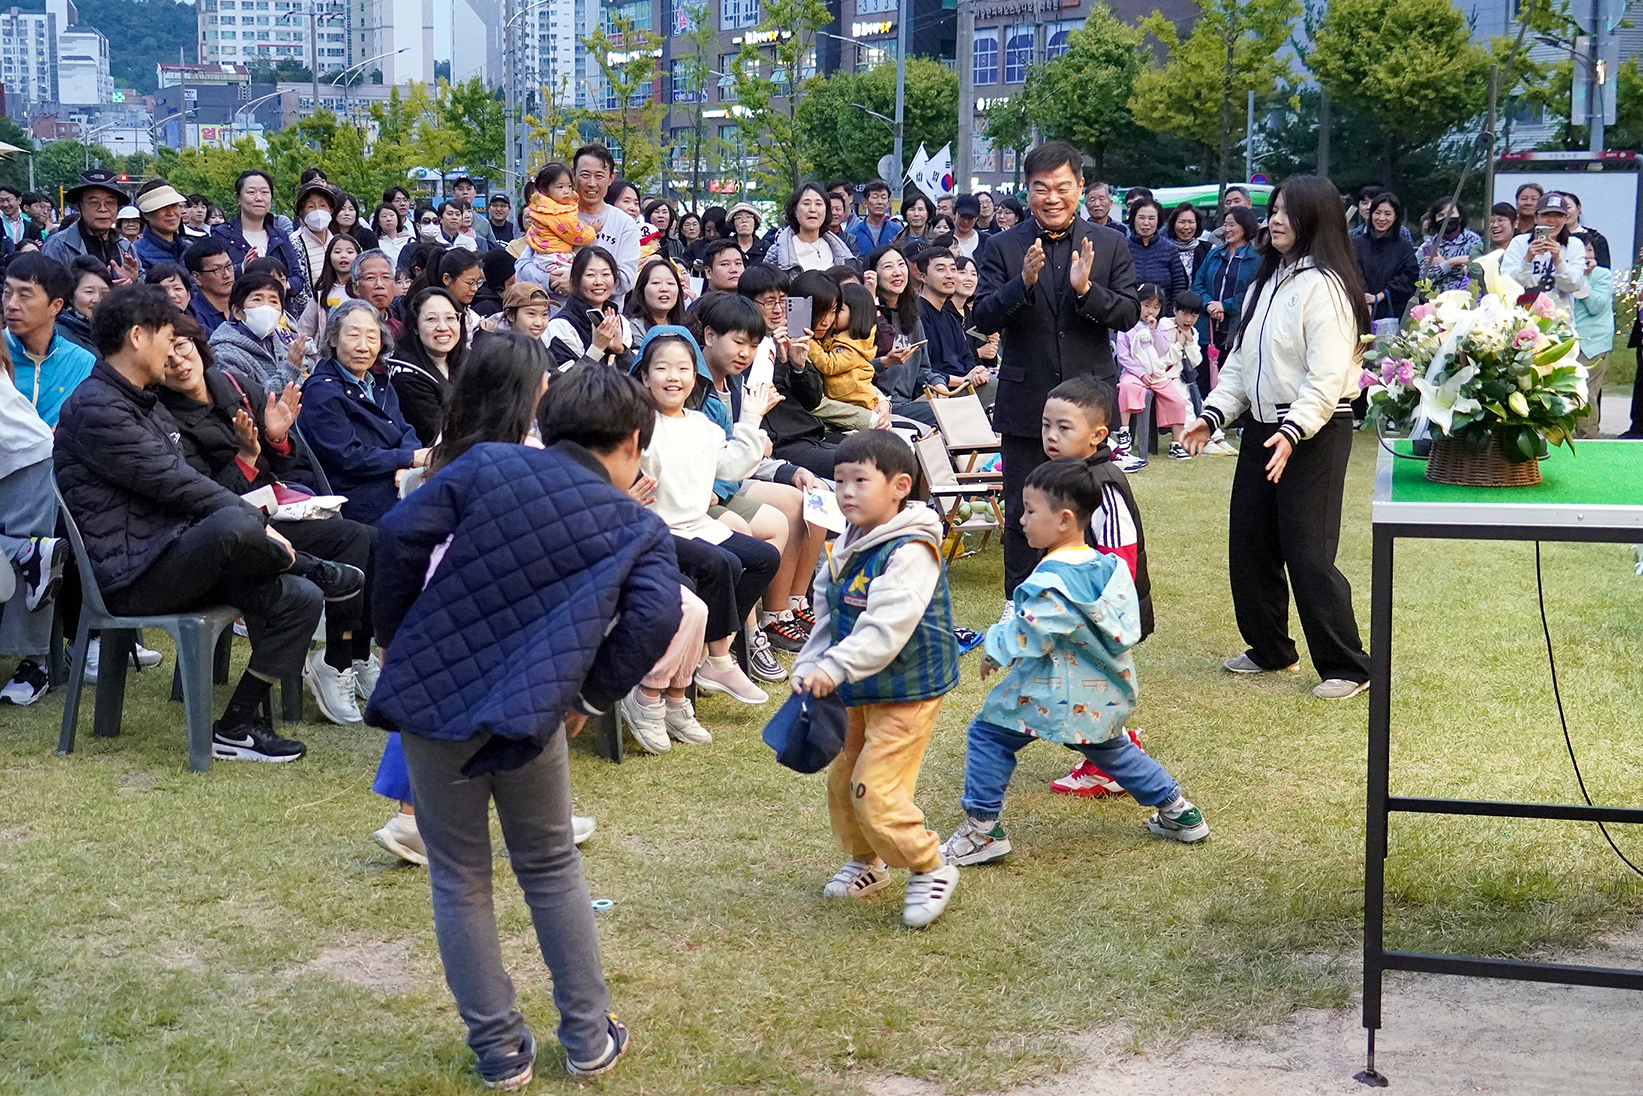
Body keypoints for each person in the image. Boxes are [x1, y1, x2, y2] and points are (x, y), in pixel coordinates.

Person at [367, 364, 678, 1088]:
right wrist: (591, 696)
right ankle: (587, 1037)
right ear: (632, 442)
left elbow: (397, 534)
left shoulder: (487, 464)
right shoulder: (635, 524)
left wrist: (398, 636)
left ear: (552, 423)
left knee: (459, 877)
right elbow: (655, 617)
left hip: (433, 691)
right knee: (547, 866)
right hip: (530, 710)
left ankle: (499, 1050)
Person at [55, 285, 364, 762]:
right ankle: (313, 567)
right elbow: (178, 484)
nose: (174, 349)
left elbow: (193, 484)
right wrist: (261, 527)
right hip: (132, 574)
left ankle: (237, 726)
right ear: (138, 337)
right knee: (233, 527)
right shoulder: (98, 408)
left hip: (172, 553)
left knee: (297, 598)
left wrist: (257, 486)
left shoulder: (143, 401)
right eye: (166, 336)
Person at [941, 455, 1208, 865]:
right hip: (1099, 689)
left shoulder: (1052, 579)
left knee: (989, 734)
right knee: (1111, 748)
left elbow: (1036, 628)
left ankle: (981, 830)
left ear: (1065, 519)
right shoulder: (1109, 565)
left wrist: (996, 646)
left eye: (1030, 511)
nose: (1021, 519)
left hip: (1050, 690)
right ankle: (1179, 812)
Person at [1182, 175, 1373, 701]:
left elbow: (1328, 375)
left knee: (1307, 550)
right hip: (1264, 430)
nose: (1276, 219)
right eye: (1274, 209)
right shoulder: (1267, 280)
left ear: (1316, 218)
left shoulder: (1328, 286)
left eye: (1289, 211)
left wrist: (1293, 432)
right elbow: (1241, 361)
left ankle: (1349, 666)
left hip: (1313, 431)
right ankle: (1270, 648)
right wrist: (1214, 414)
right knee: (1250, 544)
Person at [159, 311, 380, 724]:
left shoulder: (231, 385)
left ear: (197, 345)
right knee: (354, 539)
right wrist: (246, 457)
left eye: (183, 348)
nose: (179, 362)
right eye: (167, 358)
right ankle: (334, 661)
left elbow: (286, 458)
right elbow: (206, 497)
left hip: (270, 505)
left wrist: (276, 437)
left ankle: (357, 652)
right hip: (228, 528)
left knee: (371, 537)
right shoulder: (165, 418)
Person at [789, 429, 962, 929]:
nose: (846, 492)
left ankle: (931, 864)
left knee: (875, 787)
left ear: (900, 486)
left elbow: (886, 627)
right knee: (844, 778)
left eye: (860, 481)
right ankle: (867, 862)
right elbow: (828, 614)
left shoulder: (911, 548)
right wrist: (808, 664)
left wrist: (834, 668)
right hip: (857, 688)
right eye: (839, 480)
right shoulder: (844, 542)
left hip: (907, 689)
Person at [973, 141, 1140, 597]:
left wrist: (1088, 291)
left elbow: (1128, 314)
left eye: (1063, 187)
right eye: (1040, 188)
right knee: (1025, 512)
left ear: (1080, 187)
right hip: (1027, 407)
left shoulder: (1109, 243)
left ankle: (1097, 604)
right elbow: (981, 316)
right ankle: (1022, 605)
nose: (1052, 197)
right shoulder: (1003, 246)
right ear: (1025, 190)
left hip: (1091, 408)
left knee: (1094, 510)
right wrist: (1020, 284)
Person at [631, 326, 779, 705]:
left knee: (765, 558)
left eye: (683, 368)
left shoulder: (700, 424)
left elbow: (731, 467)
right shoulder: (639, 424)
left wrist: (751, 417)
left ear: (694, 376)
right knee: (722, 563)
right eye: (662, 368)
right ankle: (718, 659)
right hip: (661, 528)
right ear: (645, 376)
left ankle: (719, 643)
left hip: (697, 523)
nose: (673, 377)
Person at [300, 299, 428, 525]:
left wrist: (407, 467)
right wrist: (405, 460)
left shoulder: (377, 382)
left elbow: (404, 430)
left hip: (392, 482)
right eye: (353, 335)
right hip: (358, 496)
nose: (363, 346)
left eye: (372, 337)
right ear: (332, 338)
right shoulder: (321, 392)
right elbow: (348, 456)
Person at [0, 334, 64, 706]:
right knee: (33, 556)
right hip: (17, 456)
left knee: (34, 574)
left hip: (26, 460)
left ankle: (35, 667)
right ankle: (23, 549)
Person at [3, 253, 96, 427]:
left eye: (24, 296)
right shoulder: (2, 352)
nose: (11, 304)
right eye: (7, 293)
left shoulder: (81, 364)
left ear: (55, 306)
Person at [1114, 284, 1199, 466]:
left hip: (1157, 375)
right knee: (1128, 387)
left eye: (1156, 307)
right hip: (1134, 373)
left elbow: (1163, 351)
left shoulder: (1159, 328)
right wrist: (1140, 373)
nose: (1150, 311)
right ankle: (1124, 432)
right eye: (1146, 305)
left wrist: (1154, 330)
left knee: (1177, 400)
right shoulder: (1127, 325)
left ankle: (1176, 444)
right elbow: (1124, 356)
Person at [389, 287, 469, 444]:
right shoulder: (406, 376)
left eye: (451, 318)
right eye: (431, 319)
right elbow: (438, 437)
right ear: (415, 327)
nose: (443, 327)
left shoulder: (464, 359)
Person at [215, 170, 305, 307]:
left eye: (264, 192)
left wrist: (284, 285)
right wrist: (242, 268)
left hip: (279, 315)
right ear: (238, 198)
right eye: (251, 192)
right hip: (239, 313)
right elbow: (214, 279)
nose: (259, 198)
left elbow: (297, 277)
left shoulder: (280, 236)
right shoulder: (222, 235)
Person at [1191, 205, 1259, 388]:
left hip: (1236, 328)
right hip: (1207, 328)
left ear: (1245, 226)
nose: (1227, 229)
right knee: (1203, 379)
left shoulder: (1257, 259)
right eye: (1225, 224)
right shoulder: (1214, 254)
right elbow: (1198, 284)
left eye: (1232, 224)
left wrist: (1225, 306)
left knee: (1230, 381)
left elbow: (1254, 293)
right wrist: (1210, 305)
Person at [562, 144, 640, 301]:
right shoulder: (555, 216)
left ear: (611, 178)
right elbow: (524, 268)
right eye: (585, 175)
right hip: (555, 318)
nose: (591, 183)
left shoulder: (624, 224)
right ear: (573, 175)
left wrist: (575, 282)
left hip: (605, 319)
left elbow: (626, 280)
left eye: (599, 176)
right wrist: (548, 279)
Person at [208, 271, 307, 392]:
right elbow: (250, 400)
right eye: (257, 299)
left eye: (274, 301)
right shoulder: (224, 354)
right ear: (238, 312)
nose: (267, 307)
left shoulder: (281, 344)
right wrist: (290, 369)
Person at [914, 247, 989, 399]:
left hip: (963, 385)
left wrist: (978, 372)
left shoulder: (951, 316)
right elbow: (922, 370)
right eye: (941, 270)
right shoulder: (916, 314)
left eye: (953, 269)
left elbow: (967, 358)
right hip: (937, 391)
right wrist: (964, 380)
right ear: (923, 276)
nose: (949, 275)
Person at [41, 170, 139, 285]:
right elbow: (49, 292)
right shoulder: (58, 246)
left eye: (110, 202)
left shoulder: (126, 247)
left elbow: (143, 292)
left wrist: (133, 283)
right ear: (79, 205)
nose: (103, 209)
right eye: (94, 203)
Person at [546, 247, 637, 371]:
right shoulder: (560, 326)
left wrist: (621, 351)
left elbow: (640, 377)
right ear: (575, 279)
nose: (599, 282)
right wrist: (597, 348)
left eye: (606, 274)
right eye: (590, 275)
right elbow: (561, 384)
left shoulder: (620, 321)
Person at [517, 161, 601, 293]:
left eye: (569, 186)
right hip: (554, 257)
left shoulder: (541, 206)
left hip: (541, 254)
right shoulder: (557, 213)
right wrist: (592, 230)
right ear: (545, 190)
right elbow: (577, 235)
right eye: (560, 187)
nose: (566, 191)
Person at [1502, 192, 1588, 311]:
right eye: (1546, 215)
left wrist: (1558, 260)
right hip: (1523, 319)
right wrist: (1527, 259)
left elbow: (1573, 286)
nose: (1552, 220)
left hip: (1561, 322)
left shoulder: (1574, 245)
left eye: (1558, 215)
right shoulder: (1519, 243)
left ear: (1565, 219)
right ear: (1536, 218)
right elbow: (1507, 285)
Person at [810, 281, 882, 414]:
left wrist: (810, 343)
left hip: (858, 404)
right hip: (844, 402)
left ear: (856, 314)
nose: (833, 315)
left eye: (839, 310)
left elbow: (829, 365)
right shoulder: (837, 335)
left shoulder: (852, 346)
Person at [1352, 191, 1418, 323]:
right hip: (1359, 309)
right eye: (1377, 213)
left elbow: (1409, 277)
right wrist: (1365, 299)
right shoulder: (1356, 243)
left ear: (1395, 217)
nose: (1381, 218)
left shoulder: (1404, 247)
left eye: (1387, 214)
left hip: (1393, 311)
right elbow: (1352, 270)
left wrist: (1381, 295)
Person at [1572, 237, 1613, 440]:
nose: (1585, 255)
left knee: (1586, 393)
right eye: (1580, 250)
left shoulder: (1602, 275)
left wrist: (1584, 278)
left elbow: (1596, 305)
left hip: (1593, 342)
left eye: (1588, 250)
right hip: (1567, 340)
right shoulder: (1563, 274)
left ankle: (1588, 439)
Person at [774, 183, 856, 272]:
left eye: (818, 204)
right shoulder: (778, 252)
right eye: (806, 204)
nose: (813, 209)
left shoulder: (842, 251)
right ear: (795, 210)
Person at [1125, 198, 1188, 301]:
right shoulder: (1122, 246)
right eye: (1141, 218)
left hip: (1163, 312)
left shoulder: (1169, 248)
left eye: (1151, 218)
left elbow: (1179, 285)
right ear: (1133, 219)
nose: (1146, 223)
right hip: (1129, 311)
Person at [1417, 198, 1483, 296]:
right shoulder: (1429, 245)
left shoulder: (1473, 241)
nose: (1446, 218)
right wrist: (1451, 263)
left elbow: (1477, 271)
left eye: (1451, 213)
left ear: (1460, 216)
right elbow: (1424, 279)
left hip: (1467, 300)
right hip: (1437, 300)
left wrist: (1442, 264)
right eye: (1441, 215)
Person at [56, 255, 111, 351]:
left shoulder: (114, 331)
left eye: (104, 293)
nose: (97, 299)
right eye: (89, 292)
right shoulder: (59, 335)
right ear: (71, 296)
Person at [185, 237, 237, 336]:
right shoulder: (193, 316)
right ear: (197, 277)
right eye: (217, 270)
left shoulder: (242, 307)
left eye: (229, 266)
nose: (227, 275)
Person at [133, 182, 190, 272]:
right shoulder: (136, 253)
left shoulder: (190, 250)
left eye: (174, 206)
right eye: (163, 207)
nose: (171, 213)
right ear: (145, 214)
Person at [623, 257, 684, 335]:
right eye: (656, 283)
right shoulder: (633, 328)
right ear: (642, 289)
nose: (664, 289)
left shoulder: (684, 327)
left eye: (670, 283)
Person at [848, 180, 903, 255]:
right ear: (865, 202)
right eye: (875, 197)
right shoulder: (852, 233)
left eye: (883, 198)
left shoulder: (898, 231)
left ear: (888, 203)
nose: (879, 202)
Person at [1560, 190, 1611, 269]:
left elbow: (1604, 271)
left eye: (1568, 207)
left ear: (1578, 208)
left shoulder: (1596, 238)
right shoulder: (1550, 238)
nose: (1564, 212)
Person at [1165, 204, 1210, 281]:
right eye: (1181, 222)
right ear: (1173, 224)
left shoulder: (1209, 250)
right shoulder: (1164, 249)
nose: (1186, 227)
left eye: (1191, 222)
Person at [950, 194, 985, 259]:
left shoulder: (986, 241)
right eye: (962, 216)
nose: (965, 221)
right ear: (955, 214)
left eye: (970, 218)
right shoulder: (943, 240)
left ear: (977, 218)